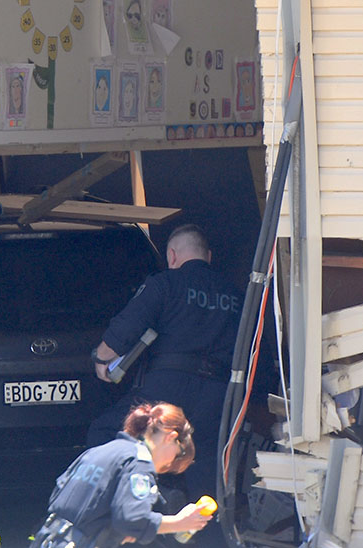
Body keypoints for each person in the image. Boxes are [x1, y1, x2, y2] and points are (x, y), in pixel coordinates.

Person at [88, 224, 241, 546]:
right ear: (208, 256)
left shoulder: (165, 283)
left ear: (171, 255)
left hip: (166, 388)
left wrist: (102, 359)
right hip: (218, 393)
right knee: (206, 470)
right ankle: (209, 538)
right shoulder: (237, 294)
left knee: (106, 434)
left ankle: (130, 518)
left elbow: (126, 327)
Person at [33, 402, 211, 547]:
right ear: (171, 437)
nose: (169, 465)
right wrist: (180, 523)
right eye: (177, 456)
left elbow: (63, 498)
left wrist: (114, 531)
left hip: (48, 540)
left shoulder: (99, 452)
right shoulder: (138, 462)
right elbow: (132, 520)